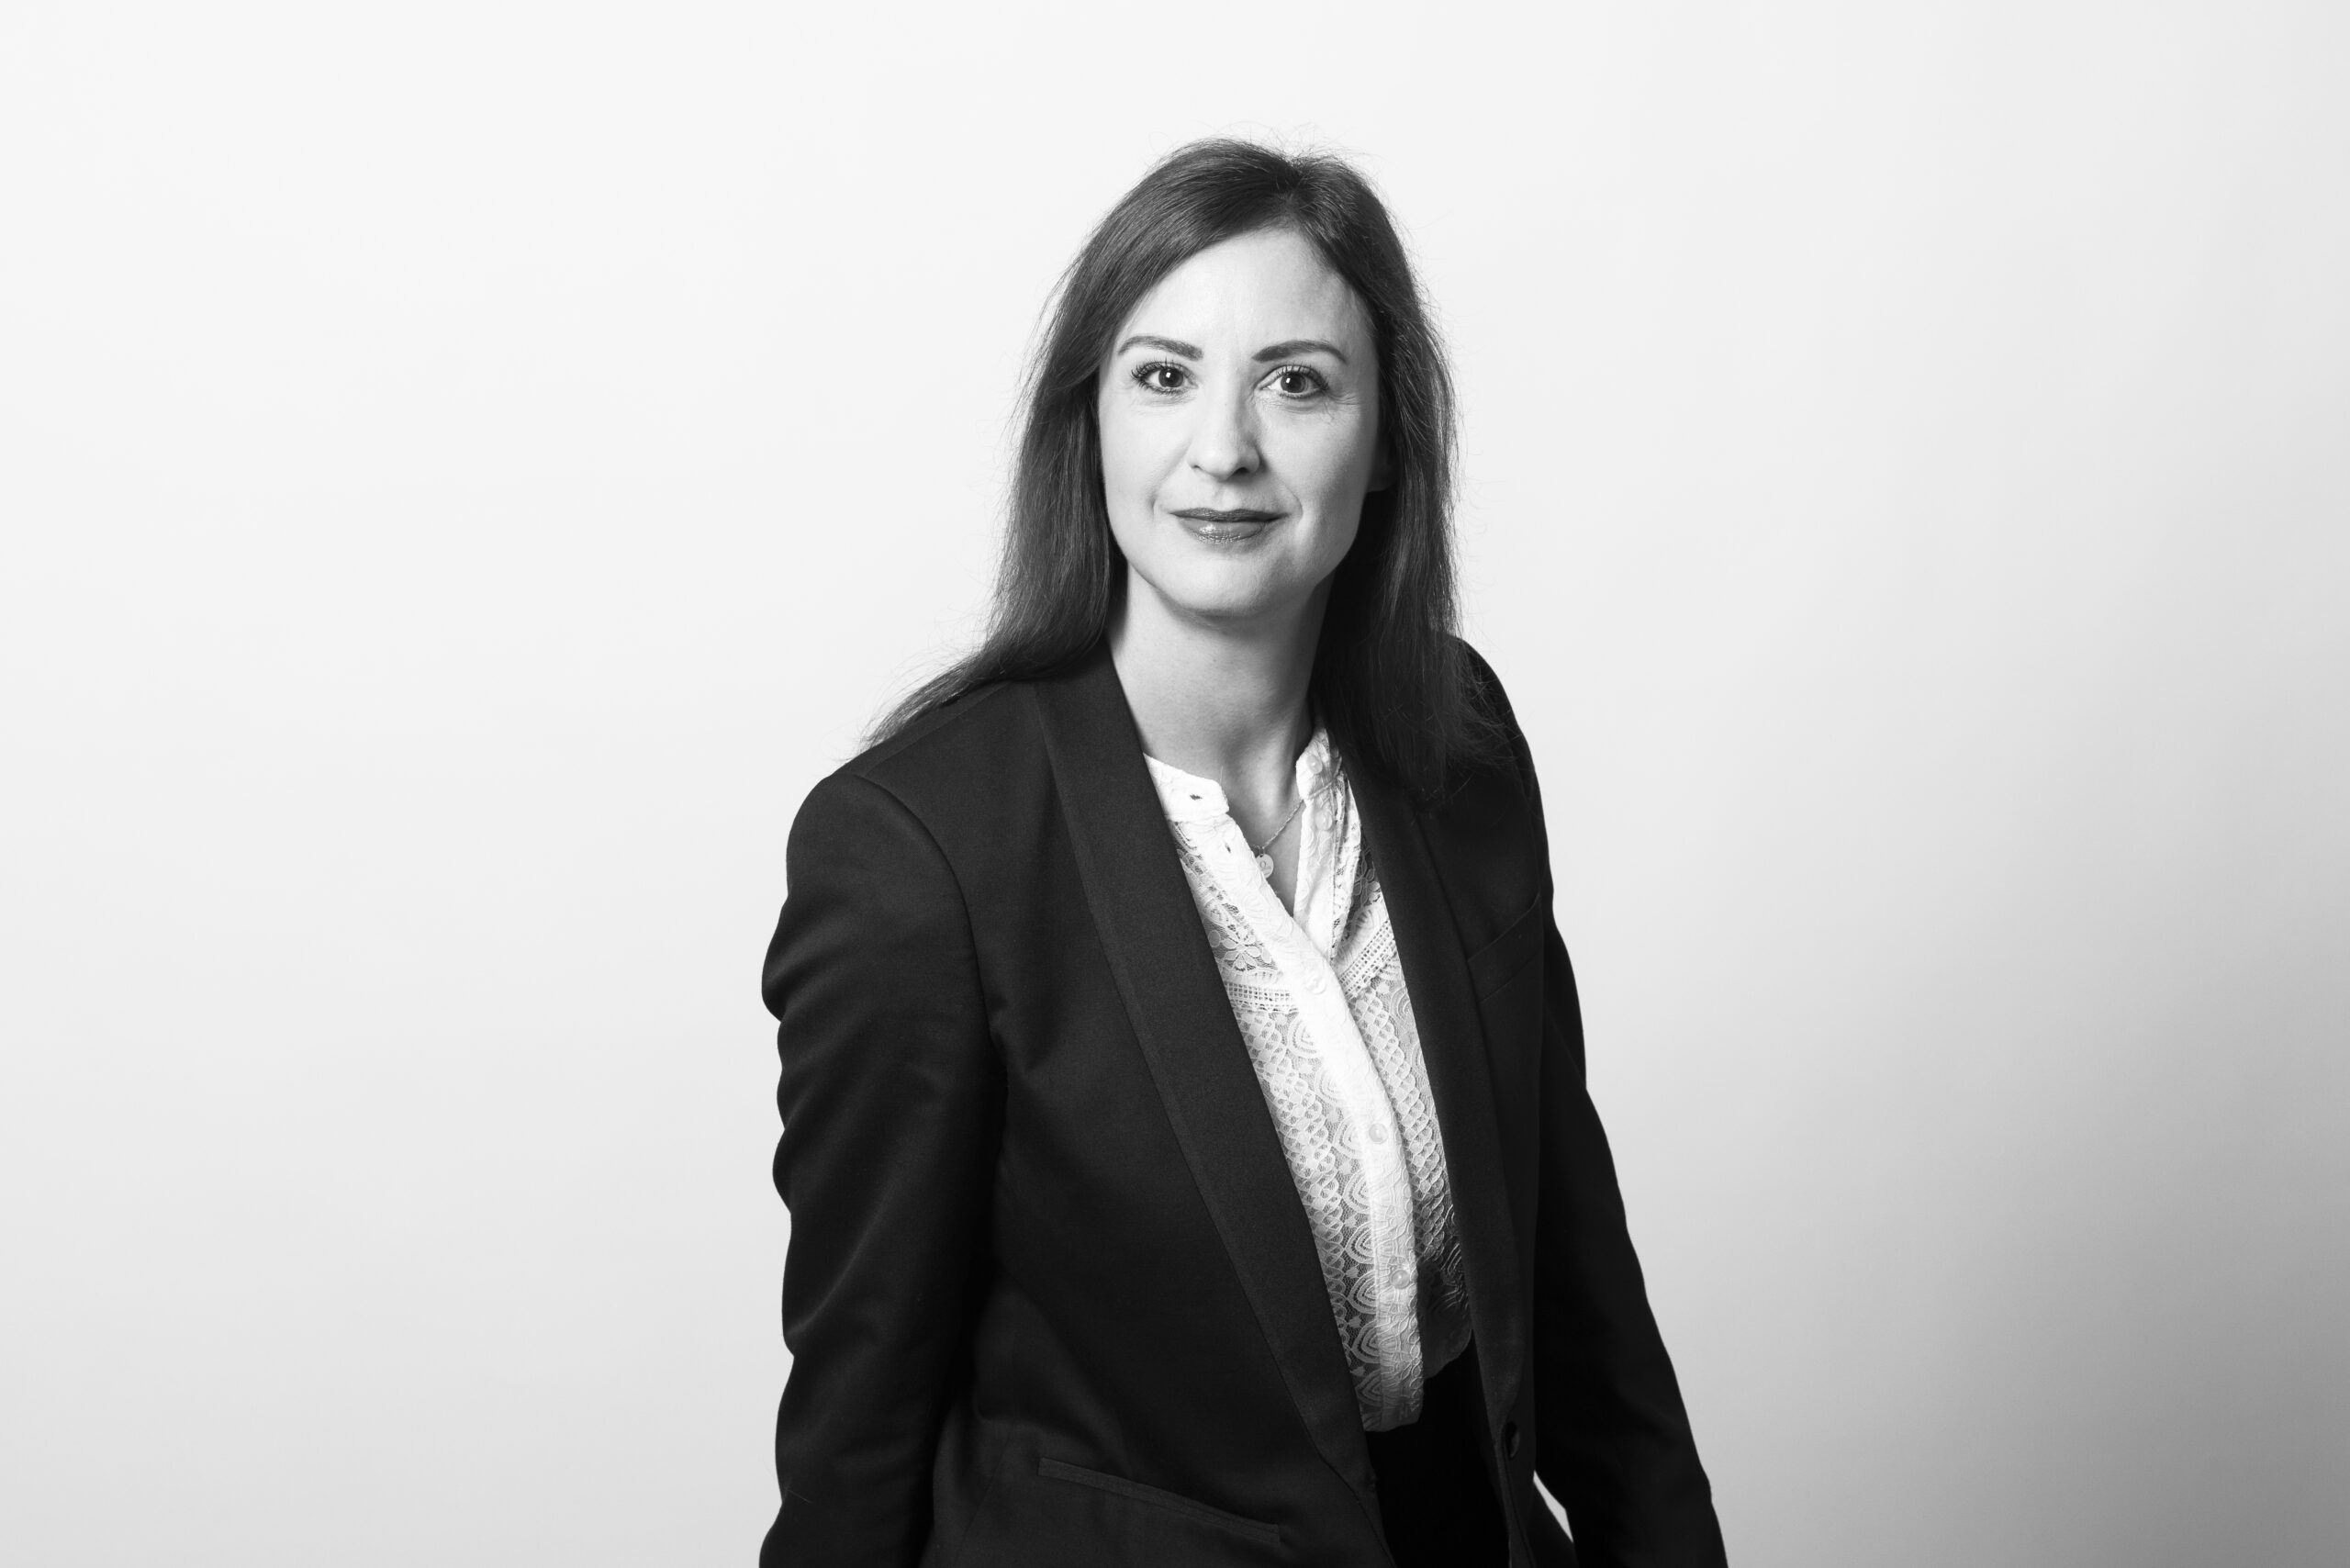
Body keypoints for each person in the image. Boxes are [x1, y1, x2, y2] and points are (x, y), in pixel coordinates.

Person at [759, 139, 1726, 1568]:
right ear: (1089, 422)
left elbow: (1576, 1283)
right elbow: (859, 1436)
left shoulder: (1458, 745)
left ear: (1386, 441)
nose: (1224, 448)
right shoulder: (920, 858)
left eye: (1297, 382)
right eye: (1164, 377)